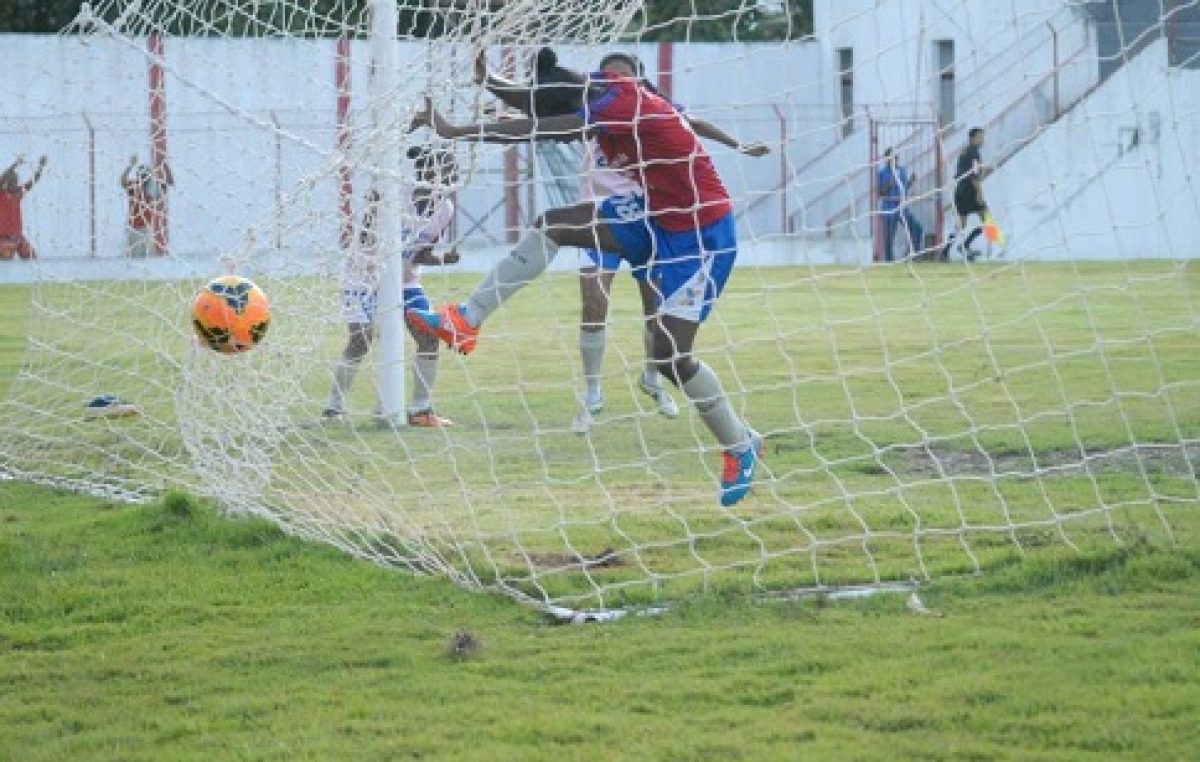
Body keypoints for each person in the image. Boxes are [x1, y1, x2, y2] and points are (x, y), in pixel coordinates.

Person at [408, 62, 764, 507]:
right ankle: (466, 320)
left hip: (700, 234)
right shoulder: (593, 94)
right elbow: (543, 106)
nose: (577, 137)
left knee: (671, 357)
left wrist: (455, 130)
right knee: (552, 224)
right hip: (653, 212)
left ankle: (740, 445)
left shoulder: (618, 106)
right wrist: (493, 82)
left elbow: (534, 127)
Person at [476, 49, 770, 435]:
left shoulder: (646, 107)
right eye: (608, 72)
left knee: (660, 324)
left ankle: (655, 381)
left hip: (654, 218)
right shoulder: (591, 105)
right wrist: (490, 86)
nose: (613, 79)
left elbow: (691, 120)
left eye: (623, 74)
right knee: (593, 297)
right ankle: (593, 393)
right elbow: (542, 111)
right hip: (609, 214)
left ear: (636, 80)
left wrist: (737, 143)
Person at [324, 146, 460, 427]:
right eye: (445, 171)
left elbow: (421, 253)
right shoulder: (394, 194)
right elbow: (365, 238)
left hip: (405, 281)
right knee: (362, 339)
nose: (450, 177)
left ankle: (421, 410)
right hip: (364, 276)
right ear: (425, 172)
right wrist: (375, 201)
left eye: (452, 172)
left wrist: (442, 258)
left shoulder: (445, 208)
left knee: (428, 334)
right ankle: (333, 408)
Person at [944, 128, 991, 262]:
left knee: (961, 223)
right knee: (987, 218)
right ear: (972, 138)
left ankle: (945, 251)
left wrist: (984, 170)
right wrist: (979, 194)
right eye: (980, 137)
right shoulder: (974, 152)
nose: (982, 140)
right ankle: (999, 246)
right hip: (970, 189)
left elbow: (970, 170)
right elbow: (974, 176)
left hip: (960, 189)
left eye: (982, 137)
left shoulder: (965, 151)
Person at [120, 155, 174, 257]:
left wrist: (165, 166)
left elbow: (169, 182)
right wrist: (130, 166)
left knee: (146, 257)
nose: (144, 176)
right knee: (135, 257)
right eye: (142, 174)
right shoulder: (134, 187)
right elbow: (123, 181)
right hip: (134, 229)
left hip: (146, 228)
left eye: (146, 174)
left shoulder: (152, 188)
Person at [877, 147, 924, 262]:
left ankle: (912, 254)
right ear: (886, 159)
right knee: (889, 237)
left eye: (895, 157)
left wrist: (911, 182)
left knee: (917, 228)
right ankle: (889, 260)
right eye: (891, 157)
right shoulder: (882, 173)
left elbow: (904, 187)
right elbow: (879, 192)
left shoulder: (902, 170)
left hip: (902, 207)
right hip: (889, 207)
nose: (894, 159)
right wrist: (891, 182)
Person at [0, 154, 48, 260]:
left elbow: (32, 182)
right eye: (12, 180)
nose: (15, 182)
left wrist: (40, 167)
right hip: (4, 238)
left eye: (16, 180)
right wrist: (15, 164)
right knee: (6, 259)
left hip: (18, 237)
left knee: (31, 257)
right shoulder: (1, 194)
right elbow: (2, 178)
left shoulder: (18, 193)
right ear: (6, 183)